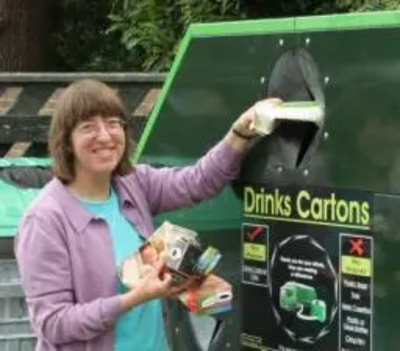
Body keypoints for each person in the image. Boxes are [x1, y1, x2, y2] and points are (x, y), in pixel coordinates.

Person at [14, 79, 279, 351]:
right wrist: (134, 298)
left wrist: (239, 133)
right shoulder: (45, 220)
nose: (105, 136)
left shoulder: (132, 184)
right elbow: (54, 324)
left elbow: (199, 181)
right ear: (66, 142)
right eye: (88, 127)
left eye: (113, 123)